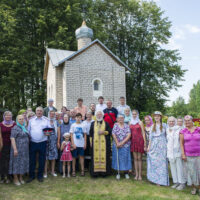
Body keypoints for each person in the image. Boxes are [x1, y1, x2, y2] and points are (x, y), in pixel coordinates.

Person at [27, 107, 50, 183]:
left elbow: (49, 131)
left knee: (42, 160)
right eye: (38, 111)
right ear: (35, 112)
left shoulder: (46, 120)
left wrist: (47, 133)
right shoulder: (31, 120)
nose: (39, 112)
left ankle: (40, 176)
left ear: (42, 112)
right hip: (33, 142)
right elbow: (28, 131)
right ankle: (31, 176)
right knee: (32, 160)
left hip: (43, 142)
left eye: (40, 111)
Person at [147, 111, 169, 186]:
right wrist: (149, 147)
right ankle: (155, 178)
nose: (156, 117)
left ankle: (161, 180)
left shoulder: (164, 125)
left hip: (162, 145)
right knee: (155, 162)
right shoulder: (152, 126)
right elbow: (150, 138)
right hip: (154, 145)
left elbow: (167, 136)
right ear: (154, 117)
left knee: (161, 162)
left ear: (160, 117)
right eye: (155, 116)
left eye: (158, 116)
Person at [180, 115, 200, 195]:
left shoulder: (198, 129)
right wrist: (183, 154)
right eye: (185, 121)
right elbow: (181, 144)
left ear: (192, 121)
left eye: (188, 120)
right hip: (188, 155)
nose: (187, 122)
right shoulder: (183, 131)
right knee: (191, 172)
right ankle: (194, 188)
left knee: (199, 172)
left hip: (199, 154)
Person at [89, 110, 111, 177]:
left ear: (102, 115)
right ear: (96, 115)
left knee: (105, 157)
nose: (99, 115)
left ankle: (104, 173)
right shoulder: (93, 123)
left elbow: (109, 132)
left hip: (104, 144)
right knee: (94, 157)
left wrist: (103, 132)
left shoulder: (106, 123)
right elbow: (90, 134)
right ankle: (95, 173)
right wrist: (90, 142)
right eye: (98, 114)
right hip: (95, 144)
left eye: (100, 114)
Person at [9, 115, 29, 186]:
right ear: (17, 120)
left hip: (25, 150)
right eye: (20, 119)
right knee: (16, 164)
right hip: (17, 149)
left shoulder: (25, 127)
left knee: (22, 163)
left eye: (22, 119)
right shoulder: (15, 128)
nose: (21, 120)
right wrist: (15, 149)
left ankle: (21, 177)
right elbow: (12, 138)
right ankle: (15, 178)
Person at [166, 116, 186, 190]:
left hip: (178, 151)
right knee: (173, 167)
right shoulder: (167, 129)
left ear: (175, 122)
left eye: (173, 121)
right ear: (168, 122)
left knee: (179, 168)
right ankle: (176, 182)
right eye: (170, 121)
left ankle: (182, 183)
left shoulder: (180, 129)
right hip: (170, 151)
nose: (171, 122)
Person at [112, 114, 132, 179]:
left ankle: (126, 173)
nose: (121, 119)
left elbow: (129, 135)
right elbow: (113, 134)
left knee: (125, 158)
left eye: (122, 118)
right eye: (119, 118)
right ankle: (118, 173)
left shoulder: (127, 126)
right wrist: (117, 143)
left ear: (124, 119)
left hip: (125, 145)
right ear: (117, 119)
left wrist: (122, 143)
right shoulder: (115, 125)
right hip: (117, 145)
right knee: (117, 158)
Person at [130, 110, 146, 180]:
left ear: (137, 114)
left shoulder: (140, 122)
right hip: (133, 142)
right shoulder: (130, 122)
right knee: (135, 159)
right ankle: (136, 174)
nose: (134, 115)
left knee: (139, 158)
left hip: (140, 141)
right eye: (133, 114)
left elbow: (143, 133)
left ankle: (140, 175)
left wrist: (145, 142)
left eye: (135, 114)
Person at [0, 111, 16, 183]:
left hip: (12, 145)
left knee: (10, 161)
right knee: (3, 161)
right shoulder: (1, 124)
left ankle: (10, 177)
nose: (8, 116)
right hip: (3, 145)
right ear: (4, 116)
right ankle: (3, 177)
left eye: (10, 115)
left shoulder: (14, 124)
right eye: (7, 115)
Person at [44, 110, 58, 178]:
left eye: (53, 114)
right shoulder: (46, 121)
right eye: (51, 114)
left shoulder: (56, 121)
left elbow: (57, 131)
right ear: (49, 114)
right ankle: (45, 172)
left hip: (53, 141)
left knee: (53, 157)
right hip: (47, 141)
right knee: (46, 158)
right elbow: (43, 130)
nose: (52, 115)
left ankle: (52, 171)